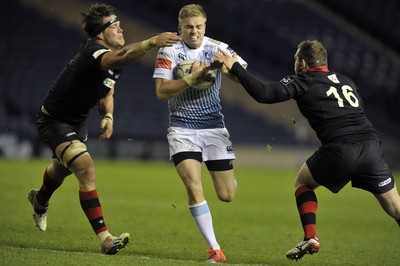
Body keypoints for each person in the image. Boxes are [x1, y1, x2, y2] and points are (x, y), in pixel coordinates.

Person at [214, 40, 400, 260]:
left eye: (295, 59)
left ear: (302, 62)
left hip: (340, 148)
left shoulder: (302, 81)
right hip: (371, 147)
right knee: (396, 208)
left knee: (303, 182)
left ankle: (311, 236)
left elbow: (264, 93)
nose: (294, 63)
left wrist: (235, 66)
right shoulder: (345, 80)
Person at [27, 3, 180, 255]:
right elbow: (119, 57)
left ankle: (39, 199)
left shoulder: (111, 60)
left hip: (77, 122)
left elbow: (108, 88)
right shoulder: (93, 51)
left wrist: (107, 114)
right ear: (100, 32)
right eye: (114, 25)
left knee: (62, 168)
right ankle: (105, 239)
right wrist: (152, 41)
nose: (121, 28)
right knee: (85, 168)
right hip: (53, 121)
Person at [152, 4, 247, 263]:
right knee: (193, 186)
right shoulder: (169, 50)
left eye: (198, 27)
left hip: (214, 127)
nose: (194, 31)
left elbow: (243, 75)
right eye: (188, 27)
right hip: (182, 128)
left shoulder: (218, 47)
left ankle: (229, 179)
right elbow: (161, 92)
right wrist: (193, 79)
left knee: (226, 195)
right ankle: (215, 249)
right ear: (180, 27)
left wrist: (228, 68)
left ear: (204, 26)